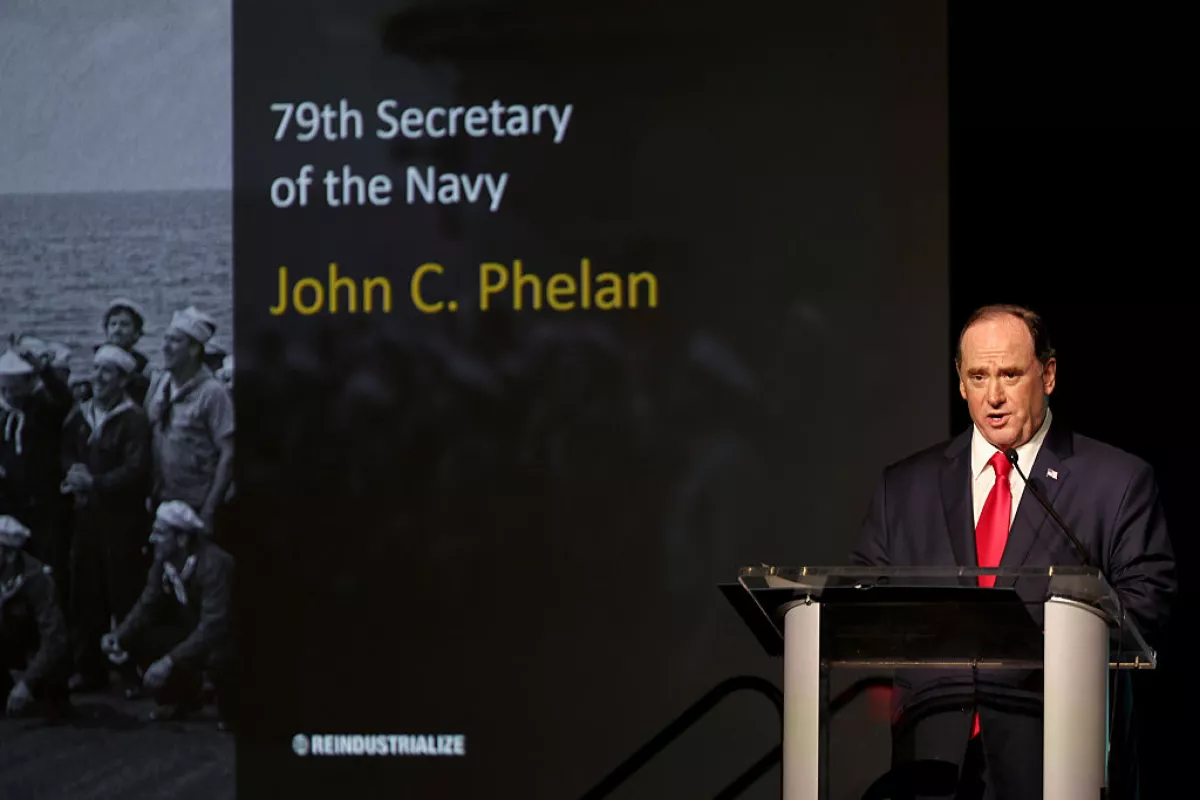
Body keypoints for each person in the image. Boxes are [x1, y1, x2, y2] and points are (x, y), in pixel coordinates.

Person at [851, 304, 1176, 800]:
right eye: (978, 376)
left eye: (1010, 374)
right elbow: (861, 607)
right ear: (960, 382)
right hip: (931, 764)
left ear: (1047, 375)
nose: (994, 396)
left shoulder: (1116, 481)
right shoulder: (906, 487)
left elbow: (1146, 606)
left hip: (1055, 759)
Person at [61, 345, 153, 692]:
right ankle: (89, 669)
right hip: (86, 516)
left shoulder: (133, 419)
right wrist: (73, 472)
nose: (98, 377)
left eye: (108, 372)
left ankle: (130, 669)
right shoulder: (80, 412)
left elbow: (136, 469)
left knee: (124, 591)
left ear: (124, 380)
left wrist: (95, 483)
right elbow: (66, 448)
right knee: (85, 591)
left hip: (122, 520)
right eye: (96, 368)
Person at [103, 501, 234, 728]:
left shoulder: (215, 563)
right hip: (196, 627)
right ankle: (179, 699)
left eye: (160, 533)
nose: (152, 538)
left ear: (181, 538)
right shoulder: (163, 561)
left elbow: (215, 624)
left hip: (230, 635)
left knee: (221, 655)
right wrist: (119, 635)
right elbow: (147, 604)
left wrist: (169, 660)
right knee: (144, 638)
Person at [144, 307, 235, 534]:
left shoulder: (213, 393)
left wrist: (210, 509)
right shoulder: (160, 384)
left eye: (175, 341)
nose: (165, 347)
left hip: (197, 502)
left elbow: (228, 453)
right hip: (161, 498)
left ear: (194, 348)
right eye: (165, 339)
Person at [0, 515, 71, 719]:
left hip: (34, 647)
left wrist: (27, 681)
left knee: (51, 697)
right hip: (8, 642)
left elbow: (55, 638)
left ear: (10, 554)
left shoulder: (37, 579)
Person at [98, 298, 153, 406]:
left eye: (124, 325)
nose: (117, 329)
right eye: (113, 324)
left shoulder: (142, 364)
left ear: (136, 332)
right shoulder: (98, 359)